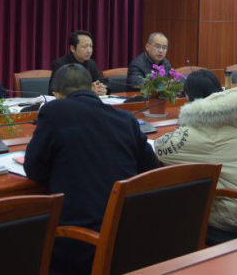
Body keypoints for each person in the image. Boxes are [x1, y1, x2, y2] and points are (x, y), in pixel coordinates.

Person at [24, 64, 158, 274]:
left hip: (77, 245)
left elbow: (34, 170)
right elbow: (150, 168)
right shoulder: (126, 119)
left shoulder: (54, 111)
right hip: (127, 241)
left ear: (56, 94)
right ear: (93, 87)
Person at [155, 72, 237, 245]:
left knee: (166, 200)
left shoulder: (206, 131)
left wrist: (187, 122)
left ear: (190, 99)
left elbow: (160, 149)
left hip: (234, 212)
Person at [49, 30, 108, 95]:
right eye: (85, 46)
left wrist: (102, 89)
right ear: (73, 48)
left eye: (91, 46)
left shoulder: (91, 63)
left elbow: (100, 81)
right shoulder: (60, 64)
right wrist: (88, 89)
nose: (89, 50)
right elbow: (53, 90)